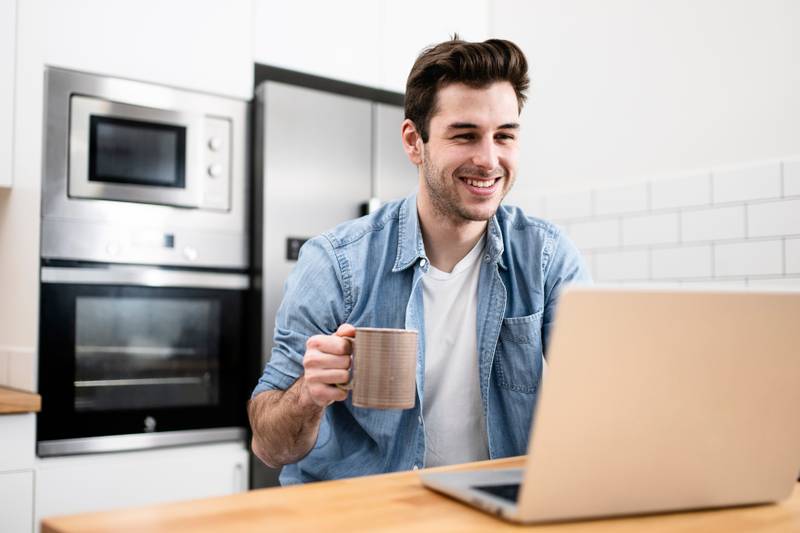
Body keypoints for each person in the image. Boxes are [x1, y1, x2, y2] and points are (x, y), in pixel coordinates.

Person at [248, 36, 590, 485]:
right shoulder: (335, 262)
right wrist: (306, 396)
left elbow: (596, 398)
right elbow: (270, 447)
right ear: (414, 142)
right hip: (364, 510)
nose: (489, 160)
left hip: (493, 505)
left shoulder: (545, 256)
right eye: (465, 135)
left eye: (504, 136)